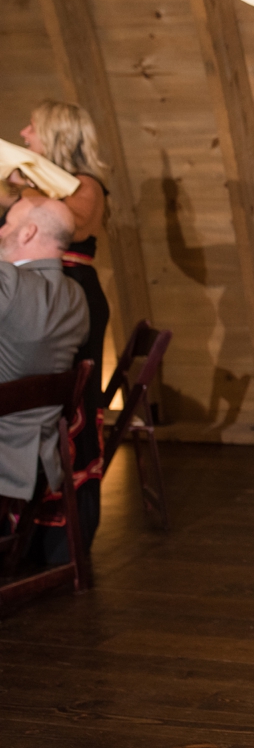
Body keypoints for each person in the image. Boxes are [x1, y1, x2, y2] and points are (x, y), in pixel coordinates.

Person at [2, 101, 113, 558]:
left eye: (35, 127)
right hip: (32, 295)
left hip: (66, 292)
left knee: (71, 409)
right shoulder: (27, 190)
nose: (25, 132)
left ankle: (65, 535)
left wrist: (31, 189)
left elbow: (69, 222)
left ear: (57, 135)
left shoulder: (85, 186)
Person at [0, 198, 89, 531]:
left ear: (28, 232)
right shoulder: (78, 297)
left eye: (7, 223)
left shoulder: (7, 283)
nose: (2, 230)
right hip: (43, 451)